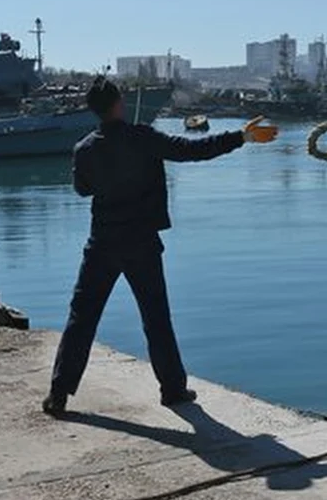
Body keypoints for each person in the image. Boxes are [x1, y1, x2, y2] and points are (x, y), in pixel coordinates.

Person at [42, 78, 278, 415]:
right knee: (155, 318)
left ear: (93, 110)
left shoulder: (85, 148)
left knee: (82, 317)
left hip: (102, 242)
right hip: (141, 242)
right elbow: (192, 150)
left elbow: (82, 190)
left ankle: (59, 394)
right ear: (119, 104)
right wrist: (241, 137)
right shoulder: (143, 138)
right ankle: (173, 390)